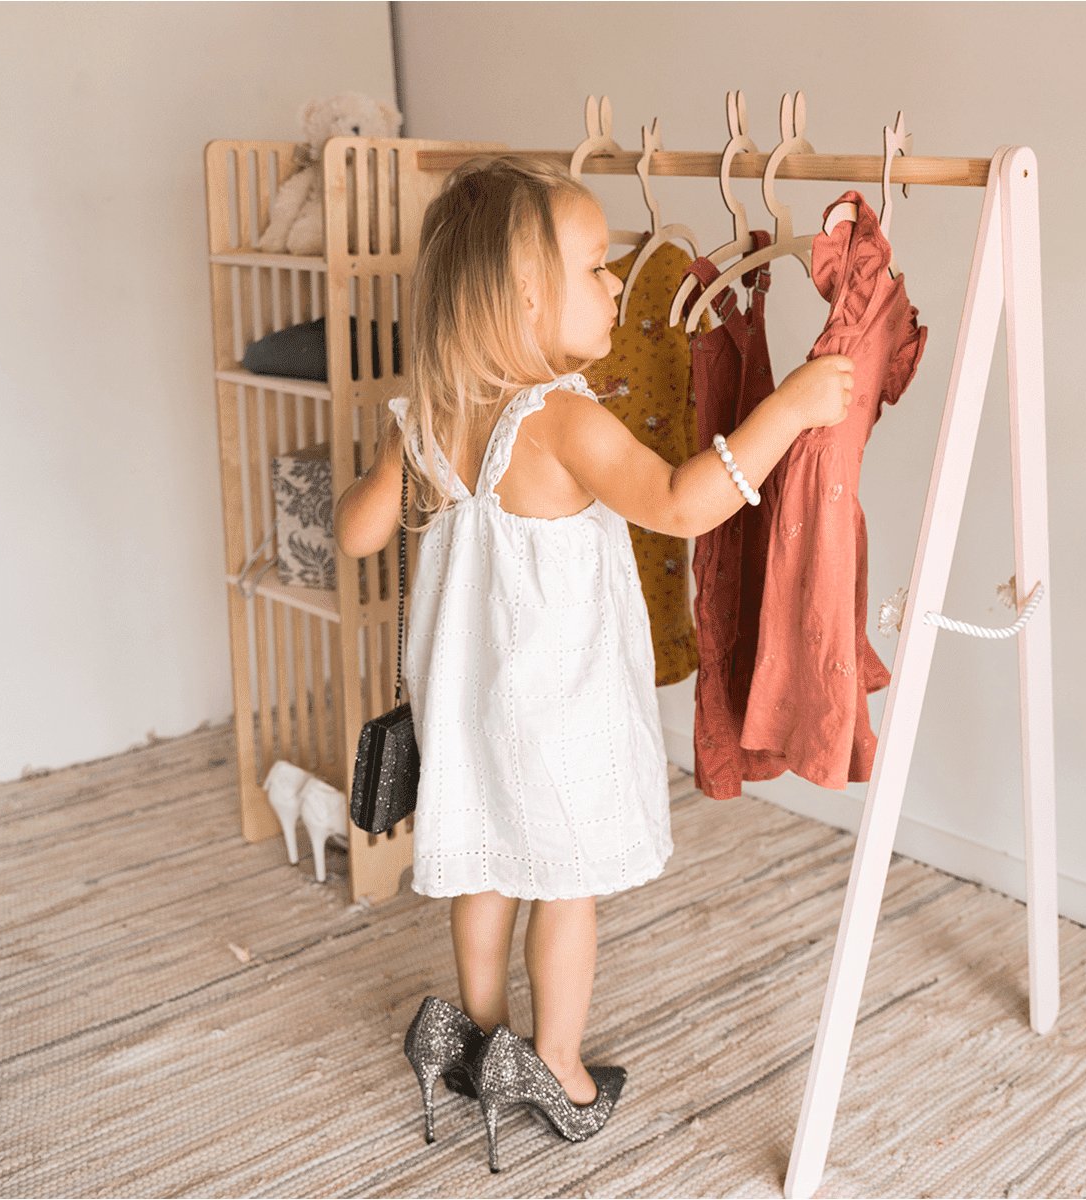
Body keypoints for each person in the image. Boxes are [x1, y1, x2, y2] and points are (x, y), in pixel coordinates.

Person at [333, 154, 852, 1172]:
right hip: (555, 709)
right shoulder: (561, 417)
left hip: (467, 708)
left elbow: (356, 534)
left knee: (483, 870)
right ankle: (557, 1066)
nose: (619, 283)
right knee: (562, 886)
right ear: (528, 297)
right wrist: (786, 411)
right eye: (596, 268)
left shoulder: (430, 414)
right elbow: (678, 501)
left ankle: (477, 1037)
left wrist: (394, 455)